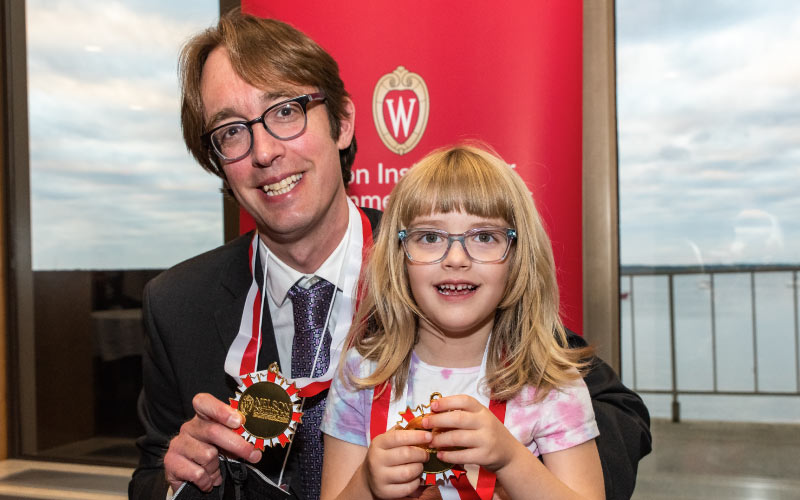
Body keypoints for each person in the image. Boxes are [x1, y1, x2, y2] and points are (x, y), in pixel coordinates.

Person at [129, 9, 650, 500]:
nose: (264, 152)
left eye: (286, 111)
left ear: (344, 123)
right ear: (217, 161)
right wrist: (183, 478)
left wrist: (510, 464)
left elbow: (615, 410)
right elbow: (151, 476)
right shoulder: (178, 305)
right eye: (231, 132)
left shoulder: (433, 261)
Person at [320, 145, 606, 500]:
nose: (456, 258)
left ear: (518, 257)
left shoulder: (550, 385)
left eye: (484, 237)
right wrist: (365, 483)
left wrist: (511, 461)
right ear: (399, 256)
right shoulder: (361, 376)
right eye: (430, 237)